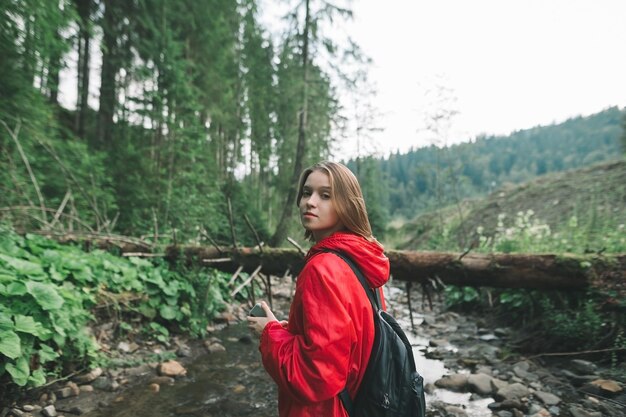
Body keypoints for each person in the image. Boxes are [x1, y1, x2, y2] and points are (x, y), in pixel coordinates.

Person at [248, 161, 390, 417]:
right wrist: (286, 331)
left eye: (325, 195)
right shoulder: (362, 261)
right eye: (306, 192)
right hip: (361, 403)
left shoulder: (323, 268)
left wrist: (268, 333)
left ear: (347, 205)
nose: (310, 202)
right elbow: (343, 348)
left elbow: (314, 376)